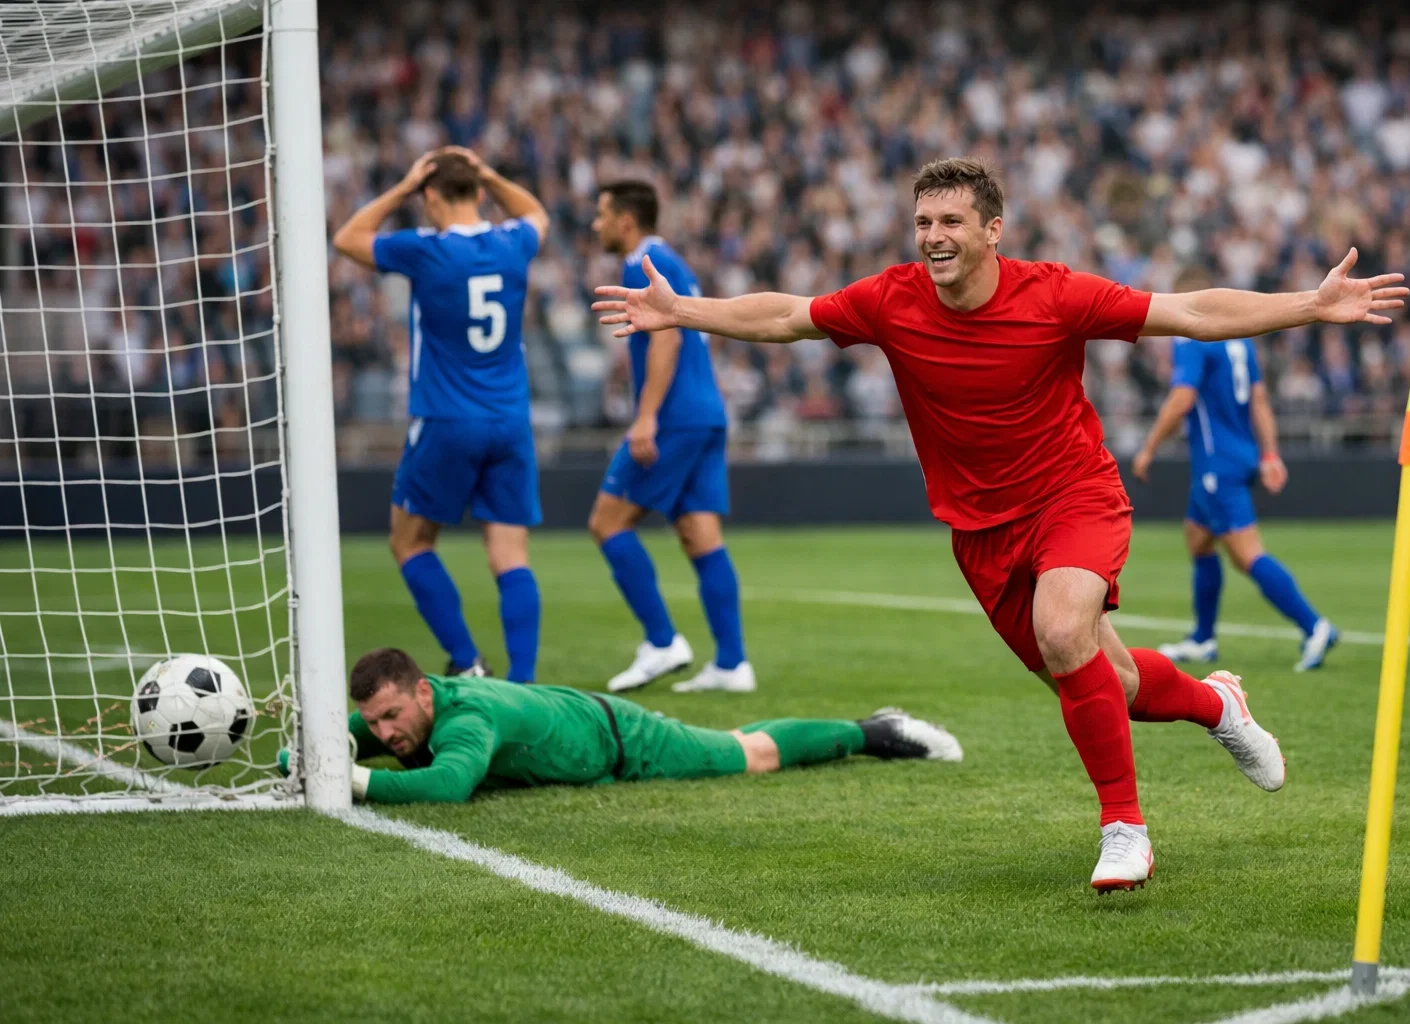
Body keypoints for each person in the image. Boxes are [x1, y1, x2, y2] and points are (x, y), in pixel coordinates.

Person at [592, 157, 1409, 892]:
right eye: (922, 222)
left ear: (992, 230)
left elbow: (1189, 311)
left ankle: (1125, 831)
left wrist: (1309, 304)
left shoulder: (1054, 294)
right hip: (981, 532)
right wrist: (683, 310)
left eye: (950, 222)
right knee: (1105, 680)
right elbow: (785, 318)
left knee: (1063, 632)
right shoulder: (889, 299)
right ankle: (1215, 705)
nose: (933, 237)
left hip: (1074, 496)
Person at [333, 147, 548, 683]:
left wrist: (403, 187)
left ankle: (468, 660)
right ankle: (523, 685)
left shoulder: (424, 250)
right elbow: (538, 214)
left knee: (409, 542)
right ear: (478, 191)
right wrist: (492, 173)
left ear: (430, 196)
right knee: (510, 556)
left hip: (446, 418)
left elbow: (347, 239)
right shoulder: (512, 242)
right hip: (510, 420)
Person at [307, 647, 960, 804]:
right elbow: (340, 740)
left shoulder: (466, 718)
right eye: (376, 722)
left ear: (423, 693)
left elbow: (449, 786)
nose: (385, 733)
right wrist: (308, 758)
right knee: (744, 742)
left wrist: (356, 780)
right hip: (579, 717)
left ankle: (875, 732)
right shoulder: (408, 710)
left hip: (622, 739)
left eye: (393, 717)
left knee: (750, 751)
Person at [588, 181, 752, 695]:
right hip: (705, 412)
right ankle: (732, 664)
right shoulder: (672, 259)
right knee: (699, 535)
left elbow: (668, 336)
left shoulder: (643, 262)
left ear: (626, 221)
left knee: (606, 522)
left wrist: (646, 416)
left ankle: (661, 641)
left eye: (602, 215)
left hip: (676, 415)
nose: (596, 225)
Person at [1132, 267, 1338, 672]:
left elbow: (1181, 399)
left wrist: (1149, 447)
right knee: (1198, 538)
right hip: (1240, 454)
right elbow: (1259, 399)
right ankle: (1203, 638)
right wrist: (1269, 454)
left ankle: (1314, 626)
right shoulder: (1239, 339)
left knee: (1246, 554)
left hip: (1217, 463)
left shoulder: (1192, 335)